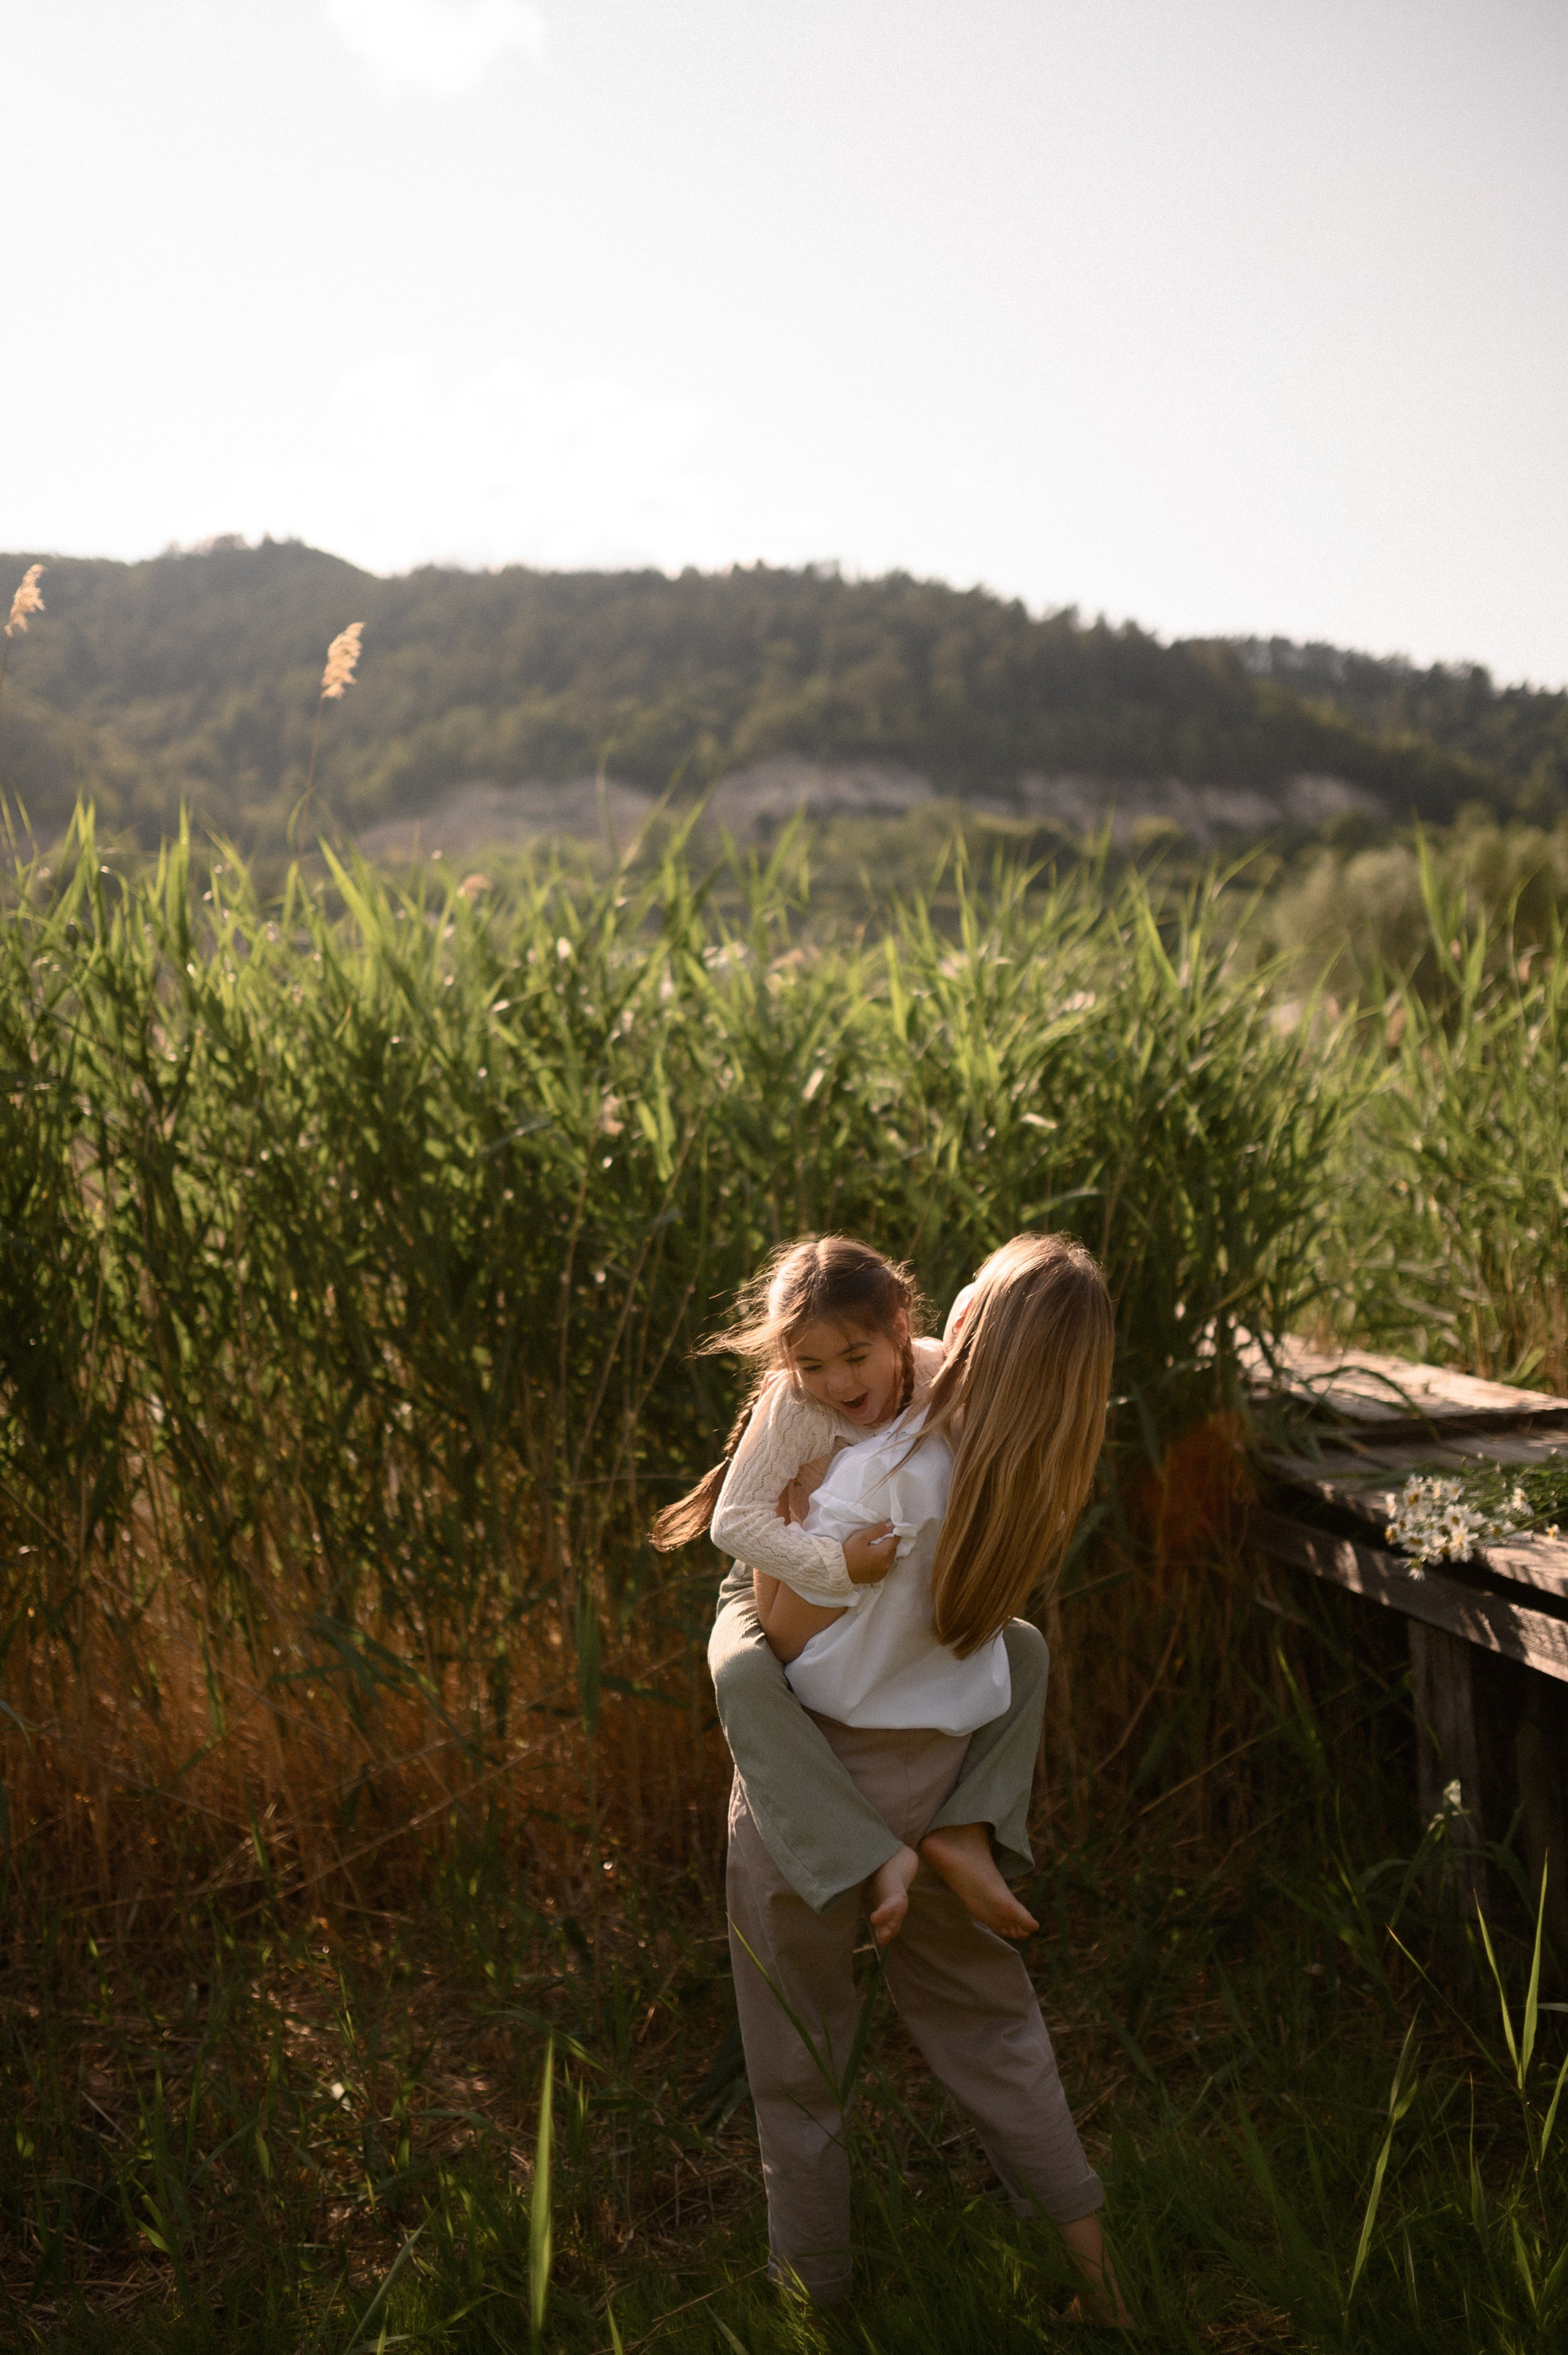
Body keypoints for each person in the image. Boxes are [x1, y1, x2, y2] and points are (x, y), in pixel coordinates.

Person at [665, 1234, 1127, 2318]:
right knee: (996, 2032)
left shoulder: (883, 1471)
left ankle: (813, 2304)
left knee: (799, 2063)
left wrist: (742, 1597)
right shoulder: (1023, 1472)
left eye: (963, 1297)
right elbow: (1004, 1642)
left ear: (968, 1324)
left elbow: (778, 1634)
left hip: (820, 1779)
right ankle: (1103, 2284)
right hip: (941, 1766)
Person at [652, 1236, 1048, 1943]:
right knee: (745, 1674)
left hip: (848, 1580)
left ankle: (970, 1828)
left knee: (1025, 1648)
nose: (837, 1383)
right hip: (770, 1570)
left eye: (854, 1358)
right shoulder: (796, 1408)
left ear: (899, 1325)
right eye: (810, 1365)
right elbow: (736, 1524)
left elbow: (974, 1386)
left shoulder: (929, 1371)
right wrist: (835, 1566)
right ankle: (863, 1852)